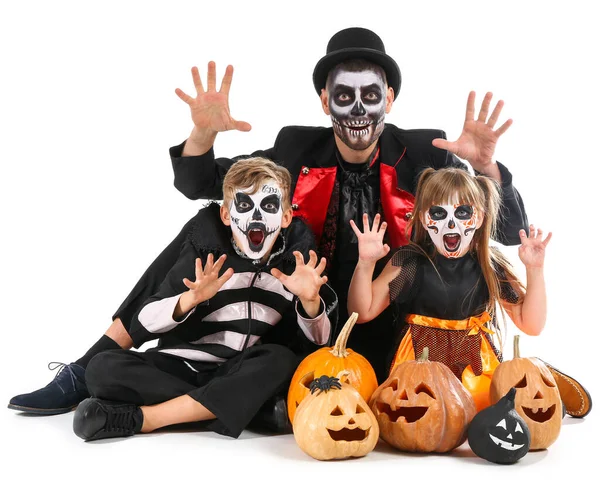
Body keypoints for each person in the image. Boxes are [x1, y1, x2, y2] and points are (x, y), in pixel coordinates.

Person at [13, 27, 588, 421]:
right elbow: (204, 184)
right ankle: (89, 365)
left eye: (370, 94)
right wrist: (204, 136)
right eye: (343, 96)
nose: (357, 108)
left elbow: (508, 232)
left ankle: (506, 375)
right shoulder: (296, 146)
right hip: (301, 304)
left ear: (390, 97)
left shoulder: (423, 152)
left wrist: (487, 168)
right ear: (323, 101)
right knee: (206, 222)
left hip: (392, 318)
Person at [72, 157, 331, 441]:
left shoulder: (295, 267)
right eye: (244, 206)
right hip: (182, 368)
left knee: (280, 360)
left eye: (268, 207)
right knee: (101, 369)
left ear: (285, 217)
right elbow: (142, 321)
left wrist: (310, 300)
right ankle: (249, 409)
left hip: (237, 370)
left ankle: (144, 419)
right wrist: (190, 299)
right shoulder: (204, 254)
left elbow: (319, 343)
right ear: (225, 215)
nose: (256, 217)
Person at [348, 167, 549, 411]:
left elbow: (532, 324)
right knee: (419, 414)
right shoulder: (410, 261)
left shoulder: (489, 264)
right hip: (418, 367)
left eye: (463, 212)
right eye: (439, 213)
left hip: (475, 367)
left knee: (482, 411)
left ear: (479, 218)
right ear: (423, 218)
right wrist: (365, 263)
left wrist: (535, 270)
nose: (451, 223)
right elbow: (361, 311)